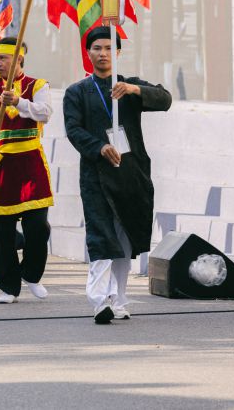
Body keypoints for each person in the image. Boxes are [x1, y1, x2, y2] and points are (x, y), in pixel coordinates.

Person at [63, 27, 171, 323]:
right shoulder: (77, 92)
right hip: (97, 176)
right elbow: (73, 130)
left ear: (119, 53)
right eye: (97, 48)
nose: (103, 54)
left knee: (125, 238)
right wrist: (99, 147)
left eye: (109, 48)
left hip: (130, 173)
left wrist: (135, 90)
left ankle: (119, 298)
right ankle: (99, 300)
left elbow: (165, 99)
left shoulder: (129, 87)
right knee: (101, 236)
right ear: (88, 52)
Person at [0, 37, 54, 303]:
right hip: (1, 164)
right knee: (2, 231)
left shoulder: (37, 86)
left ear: (19, 59)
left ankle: (31, 274)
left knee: (38, 226)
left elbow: (45, 113)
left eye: (3, 58)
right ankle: (8, 286)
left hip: (30, 161)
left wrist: (18, 102)